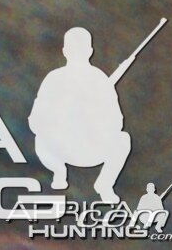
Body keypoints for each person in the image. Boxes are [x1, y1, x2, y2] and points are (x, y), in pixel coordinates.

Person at [30, 26, 135, 201]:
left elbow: (117, 123)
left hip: (93, 147)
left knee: (122, 139)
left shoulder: (100, 79)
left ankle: (105, 184)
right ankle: (59, 171)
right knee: (41, 139)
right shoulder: (54, 79)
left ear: (89, 51)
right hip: (61, 148)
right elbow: (35, 122)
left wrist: (94, 116)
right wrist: (60, 118)